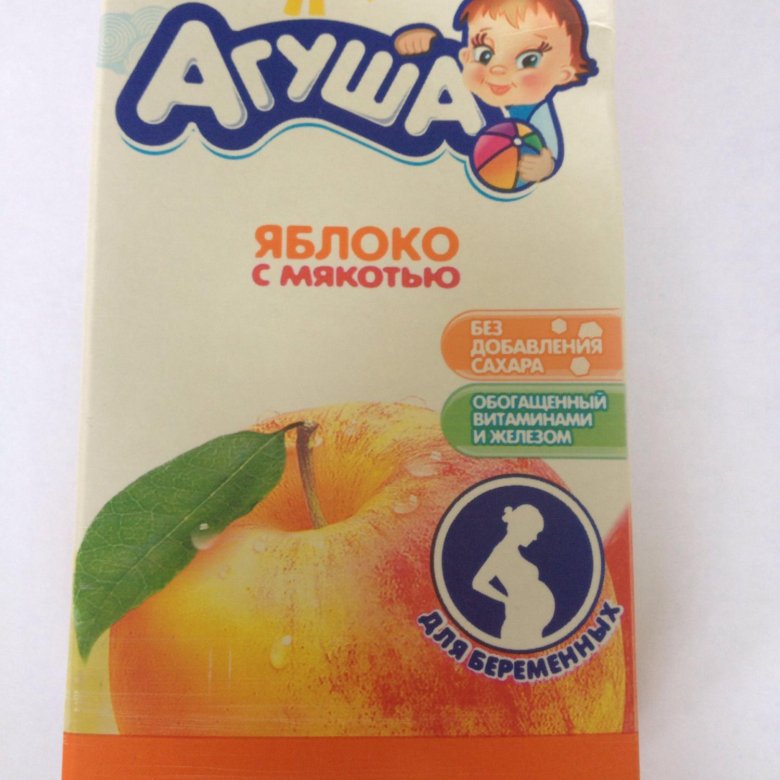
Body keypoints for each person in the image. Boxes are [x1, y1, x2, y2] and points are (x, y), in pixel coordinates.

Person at [395, 0, 596, 183]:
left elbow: (549, 155)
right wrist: (425, 40)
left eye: (528, 60)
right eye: (484, 54)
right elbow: (440, 51)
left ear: (563, 75)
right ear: (465, 56)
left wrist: (544, 167)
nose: (497, 69)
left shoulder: (535, 113)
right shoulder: (451, 70)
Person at [472, 504, 555, 646]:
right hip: (519, 625)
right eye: (534, 532)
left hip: (530, 625)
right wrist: (507, 600)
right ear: (523, 528)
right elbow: (478, 582)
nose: (535, 538)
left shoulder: (511, 550)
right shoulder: (501, 551)